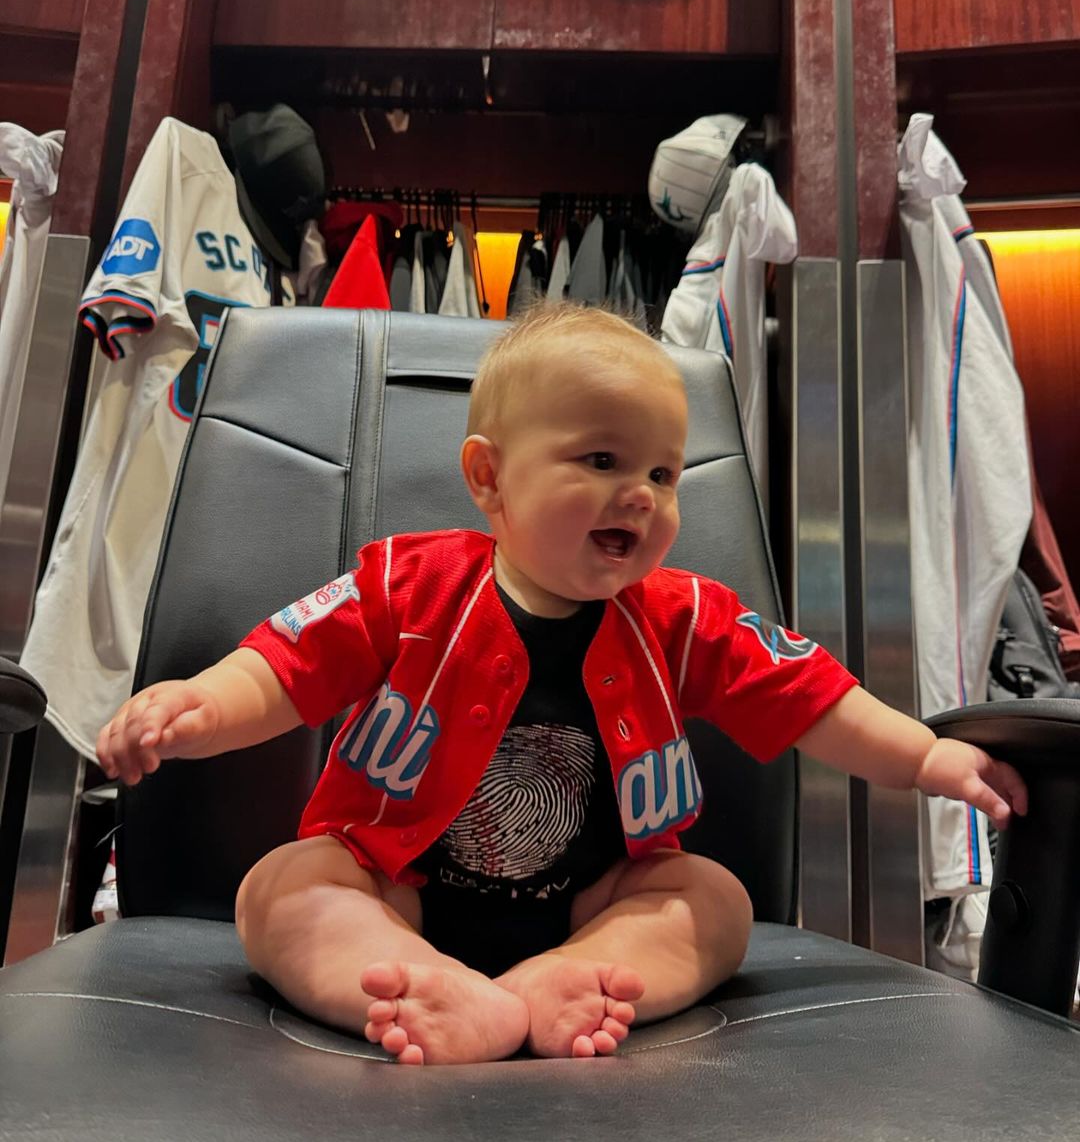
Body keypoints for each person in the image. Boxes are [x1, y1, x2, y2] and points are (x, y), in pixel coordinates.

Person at [96, 303, 1027, 1067]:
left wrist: (928, 755)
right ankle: (410, 981)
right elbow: (285, 666)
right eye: (603, 462)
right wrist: (201, 705)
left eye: (664, 473)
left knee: (712, 900)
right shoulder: (405, 584)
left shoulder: (686, 616)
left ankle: (572, 980)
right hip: (395, 885)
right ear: (489, 479)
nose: (643, 496)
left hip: (594, 899)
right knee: (282, 887)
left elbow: (813, 696)